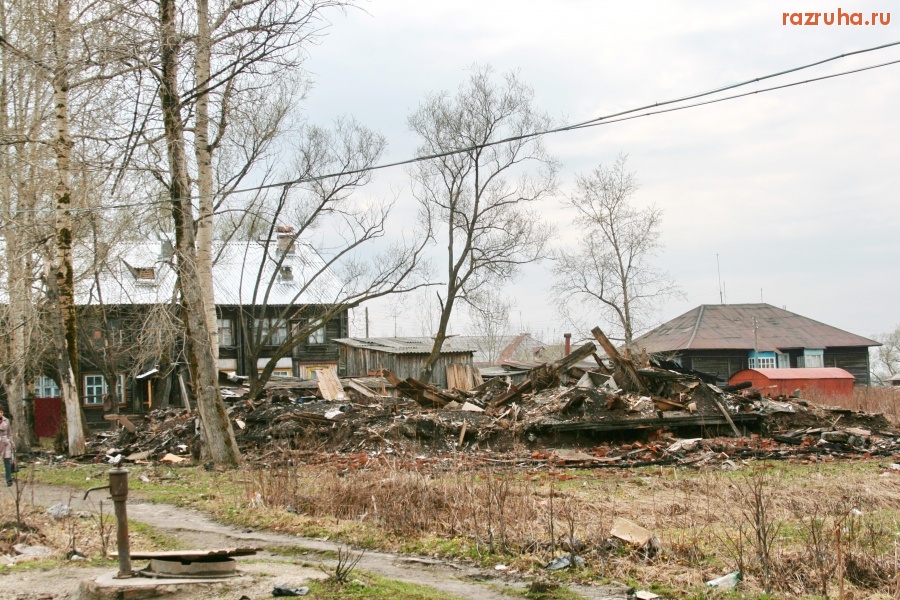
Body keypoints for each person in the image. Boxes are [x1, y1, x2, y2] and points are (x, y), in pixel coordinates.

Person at [0, 407, 12, 486]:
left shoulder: (6, 420)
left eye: (1, 412)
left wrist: (10, 442)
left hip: (5, 443)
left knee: (7, 461)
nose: (0, 413)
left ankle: (9, 479)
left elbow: (9, 433)